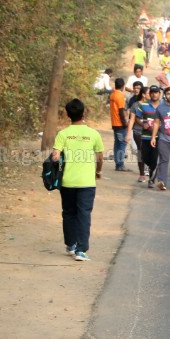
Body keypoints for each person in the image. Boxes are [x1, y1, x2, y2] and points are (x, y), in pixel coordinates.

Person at [52, 99, 103, 262]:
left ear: (68, 115)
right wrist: (98, 171)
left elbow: (55, 157)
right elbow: (100, 157)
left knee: (68, 213)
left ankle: (71, 245)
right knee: (84, 214)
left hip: (67, 181)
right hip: (87, 182)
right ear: (84, 113)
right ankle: (81, 250)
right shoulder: (94, 134)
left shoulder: (63, 134)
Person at [109, 78, 128, 172]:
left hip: (114, 123)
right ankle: (120, 164)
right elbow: (121, 111)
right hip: (120, 123)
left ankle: (118, 163)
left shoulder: (112, 94)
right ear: (123, 86)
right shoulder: (120, 96)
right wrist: (125, 123)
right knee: (122, 144)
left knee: (117, 143)